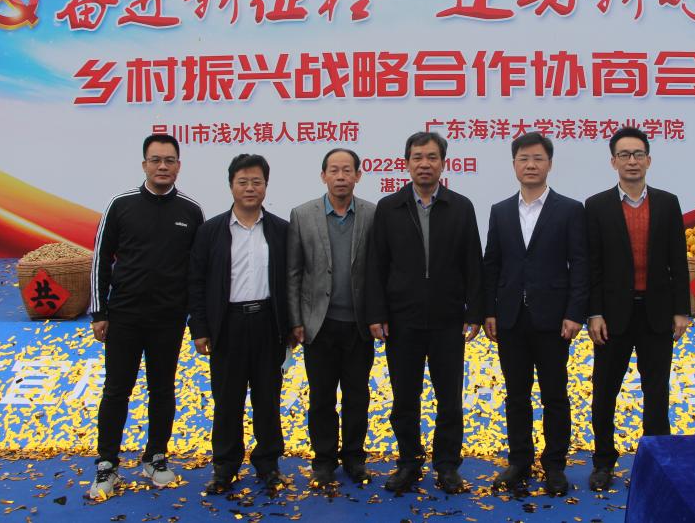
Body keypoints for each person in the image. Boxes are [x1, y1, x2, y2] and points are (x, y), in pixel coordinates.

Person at [86, 134, 205, 499]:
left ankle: (156, 456)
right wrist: (99, 312)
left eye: (169, 160)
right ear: (144, 165)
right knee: (116, 390)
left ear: (179, 166)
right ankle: (107, 463)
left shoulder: (191, 211)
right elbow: (100, 259)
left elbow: (198, 270)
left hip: (168, 319)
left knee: (162, 389)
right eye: (156, 160)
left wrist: (195, 318)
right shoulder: (120, 205)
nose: (162, 166)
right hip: (124, 316)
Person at [366, 131, 482, 494]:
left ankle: (447, 465)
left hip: (449, 320)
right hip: (402, 320)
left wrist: (475, 313)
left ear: (443, 163)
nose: (424, 164)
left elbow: (473, 263)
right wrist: (377, 313)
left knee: (450, 399)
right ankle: (409, 462)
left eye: (432, 157)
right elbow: (376, 266)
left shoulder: (460, 207)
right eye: (417, 157)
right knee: (405, 398)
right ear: (406, 164)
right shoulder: (389, 207)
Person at [584, 126, 690, 492]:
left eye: (638, 154)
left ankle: (657, 461)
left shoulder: (668, 203)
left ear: (648, 160)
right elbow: (592, 266)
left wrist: (681, 310)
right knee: (604, 392)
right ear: (613, 162)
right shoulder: (596, 206)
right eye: (624, 155)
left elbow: (678, 260)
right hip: (612, 317)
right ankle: (603, 461)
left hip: (657, 313)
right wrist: (594, 313)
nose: (632, 161)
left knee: (656, 391)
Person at [482, 132, 588, 496]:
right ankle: (520, 461)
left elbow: (580, 265)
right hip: (510, 318)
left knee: (555, 395)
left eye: (538, 159)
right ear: (514, 165)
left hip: (554, 320)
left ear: (549, 164)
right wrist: (489, 311)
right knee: (516, 395)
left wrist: (575, 313)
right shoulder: (500, 211)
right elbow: (492, 264)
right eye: (523, 159)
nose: (530, 165)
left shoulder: (570, 210)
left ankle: (555, 465)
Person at [188, 154, 291, 496]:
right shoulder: (211, 231)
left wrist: (291, 326)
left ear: (266, 186)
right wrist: (200, 328)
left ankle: (268, 464)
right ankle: (225, 465)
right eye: (242, 182)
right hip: (227, 325)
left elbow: (291, 281)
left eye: (256, 182)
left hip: (267, 323)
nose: (250, 188)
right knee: (227, 400)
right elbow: (196, 282)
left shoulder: (280, 230)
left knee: (267, 399)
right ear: (231, 185)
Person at [287, 148, 377, 487]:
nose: (341, 177)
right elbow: (294, 272)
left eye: (347, 170)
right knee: (321, 397)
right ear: (323, 175)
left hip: (359, 325)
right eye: (334, 170)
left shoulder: (372, 214)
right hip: (318, 325)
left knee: (357, 396)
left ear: (358, 175)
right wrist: (296, 320)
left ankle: (354, 457)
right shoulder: (302, 215)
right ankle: (323, 459)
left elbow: (380, 271)